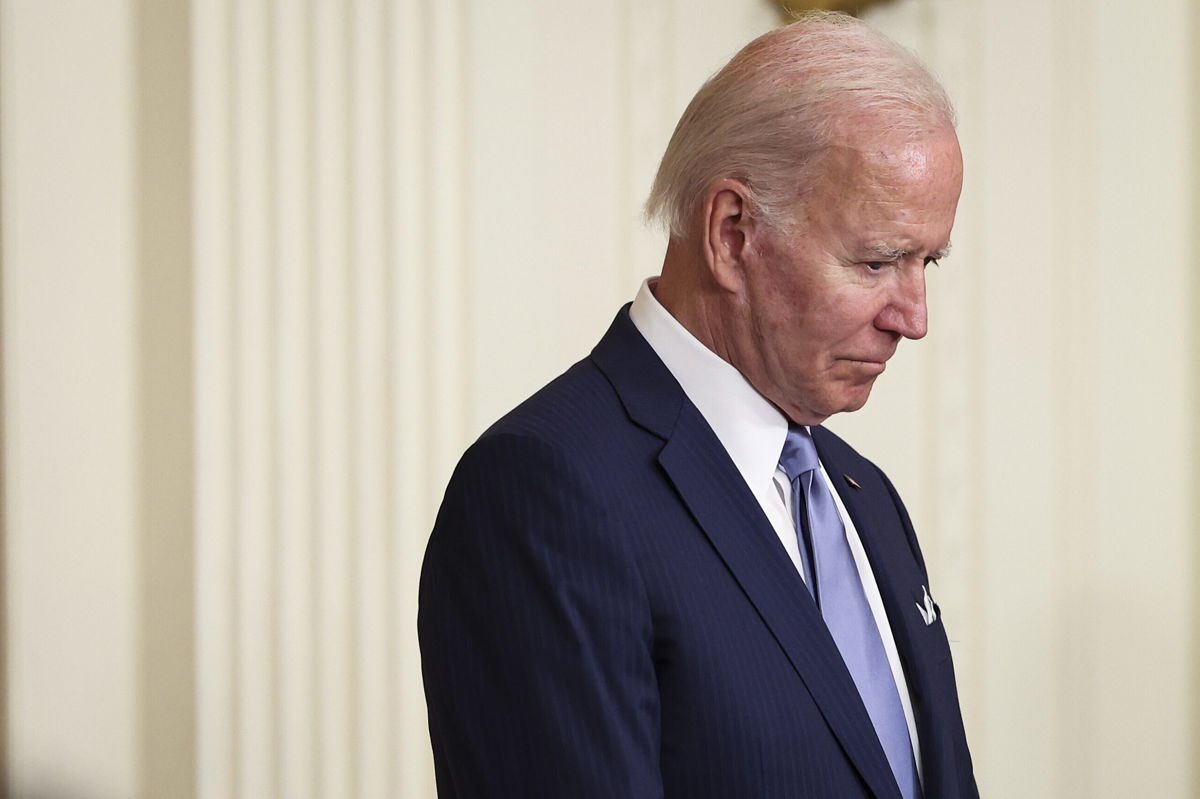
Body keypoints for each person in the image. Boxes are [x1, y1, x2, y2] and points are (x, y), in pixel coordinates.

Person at [419, 11, 977, 799]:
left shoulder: (863, 495)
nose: (913, 317)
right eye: (879, 259)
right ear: (732, 231)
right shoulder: (543, 493)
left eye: (928, 261)